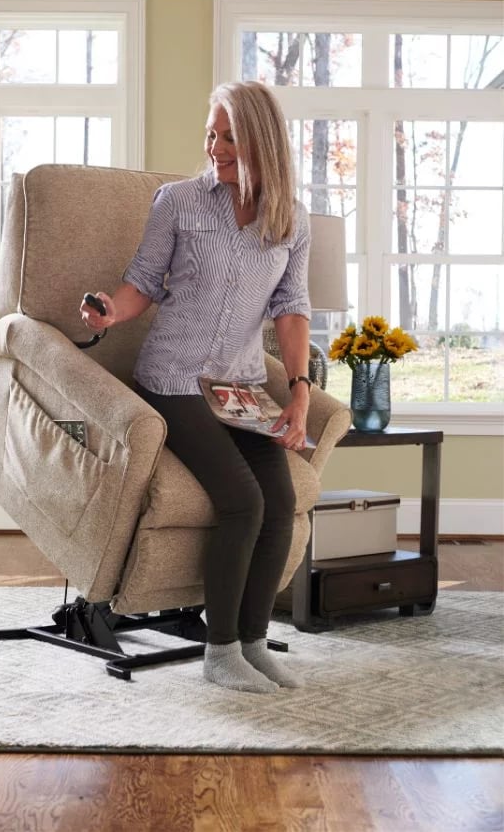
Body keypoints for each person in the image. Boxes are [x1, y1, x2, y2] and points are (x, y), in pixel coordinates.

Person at [80, 81, 312, 693]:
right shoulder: (178, 202)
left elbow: (291, 308)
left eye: (230, 135)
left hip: (238, 385)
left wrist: (300, 387)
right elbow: (142, 283)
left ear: (263, 140)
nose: (216, 147)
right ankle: (220, 651)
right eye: (211, 134)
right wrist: (110, 312)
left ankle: (254, 644)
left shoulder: (290, 219)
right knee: (243, 502)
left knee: (281, 506)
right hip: (174, 379)